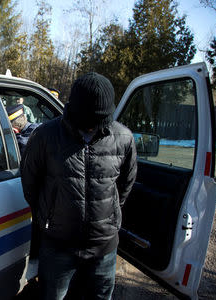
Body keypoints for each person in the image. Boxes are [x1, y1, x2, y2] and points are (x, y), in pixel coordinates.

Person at [20, 73, 137, 300]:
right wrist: (50, 217)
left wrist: (108, 217)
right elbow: (30, 184)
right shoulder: (45, 135)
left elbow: (124, 185)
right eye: (90, 119)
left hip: (104, 247)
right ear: (75, 111)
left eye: (101, 120)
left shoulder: (123, 137)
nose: (94, 126)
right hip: (58, 245)